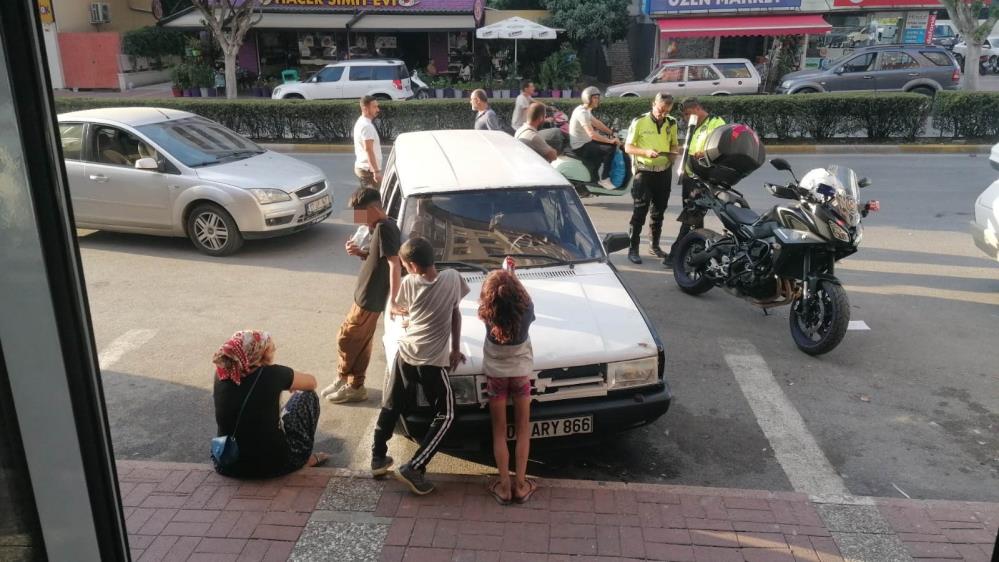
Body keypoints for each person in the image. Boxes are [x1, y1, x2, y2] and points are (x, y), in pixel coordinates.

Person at [371, 237, 470, 495]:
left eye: (404, 265)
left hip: (405, 355)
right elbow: (455, 313)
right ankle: (415, 466)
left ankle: (378, 457)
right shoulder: (452, 278)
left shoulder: (408, 283)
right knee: (446, 415)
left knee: (392, 406)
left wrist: (405, 313)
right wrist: (455, 349)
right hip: (431, 364)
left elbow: (400, 307)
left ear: (412, 266)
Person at [322, 187, 402, 403]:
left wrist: (393, 301)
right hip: (365, 294)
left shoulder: (386, 228)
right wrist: (361, 253)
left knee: (346, 338)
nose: (360, 223)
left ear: (374, 209)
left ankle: (349, 381)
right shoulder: (379, 226)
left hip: (370, 297)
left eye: (361, 216)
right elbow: (380, 258)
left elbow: (395, 264)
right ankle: (353, 383)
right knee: (360, 341)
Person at [212, 330, 327, 478]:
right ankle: (301, 459)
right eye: (270, 348)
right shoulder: (273, 374)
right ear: (261, 353)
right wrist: (290, 384)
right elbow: (311, 383)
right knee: (306, 395)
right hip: (272, 466)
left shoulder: (222, 373)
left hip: (226, 462)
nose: (273, 350)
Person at [479, 267, 538, 505]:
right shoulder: (526, 310)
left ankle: (504, 487)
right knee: (523, 429)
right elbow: (524, 299)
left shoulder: (487, 312)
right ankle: (521, 485)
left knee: (499, 432)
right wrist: (513, 276)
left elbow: (497, 299)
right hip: (521, 374)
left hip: (496, 376)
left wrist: (505, 277)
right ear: (515, 292)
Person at [667, 98, 726, 268]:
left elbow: (721, 146)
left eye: (688, 114)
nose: (686, 118)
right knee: (694, 218)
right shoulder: (694, 125)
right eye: (684, 115)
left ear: (698, 109)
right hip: (689, 176)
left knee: (691, 216)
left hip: (704, 179)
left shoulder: (715, 122)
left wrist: (706, 153)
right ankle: (696, 252)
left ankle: (676, 253)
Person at [624, 92, 679, 265]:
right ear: (653, 104)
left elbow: (673, 143)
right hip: (644, 171)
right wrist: (645, 152)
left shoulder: (672, 122)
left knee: (659, 211)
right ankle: (633, 249)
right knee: (640, 211)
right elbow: (628, 147)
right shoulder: (639, 121)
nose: (662, 114)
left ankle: (654, 245)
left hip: (664, 171)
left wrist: (674, 155)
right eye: (660, 109)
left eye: (666, 111)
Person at [569, 86, 619, 190]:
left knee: (605, 147)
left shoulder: (586, 110)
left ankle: (594, 178)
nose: (597, 100)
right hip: (580, 146)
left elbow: (597, 123)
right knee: (610, 149)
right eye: (595, 97)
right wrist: (610, 141)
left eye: (597, 97)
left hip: (585, 143)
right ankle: (605, 179)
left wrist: (611, 132)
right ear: (588, 98)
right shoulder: (582, 113)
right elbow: (592, 134)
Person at [353, 95, 383, 189]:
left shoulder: (362, 121)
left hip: (365, 169)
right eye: (374, 107)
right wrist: (375, 171)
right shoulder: (366, 126)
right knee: (374, 201)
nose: (377, 109)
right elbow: (368, 149)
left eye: (377, 106)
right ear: (365, 109)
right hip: (367, 171)